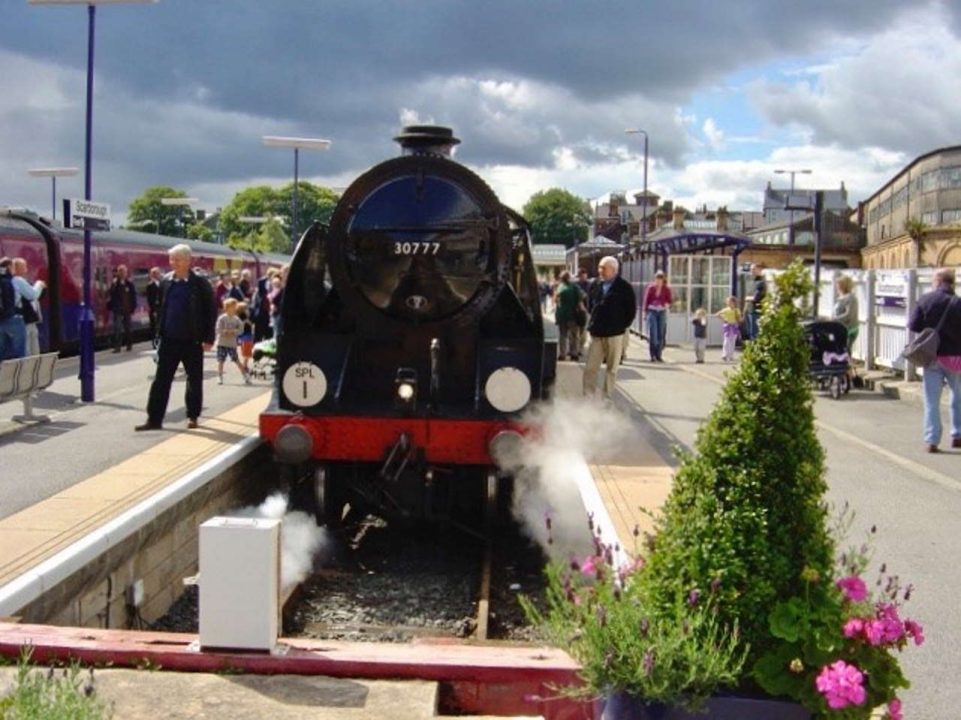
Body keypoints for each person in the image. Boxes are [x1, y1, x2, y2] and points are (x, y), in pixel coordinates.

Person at [135, 244, 216, 432]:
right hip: (169, 339)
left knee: (194, 379)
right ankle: (154, 419)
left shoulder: (200, 284)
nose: (173, 263)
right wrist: (157, 333)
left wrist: (209, 338)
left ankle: (193, 416)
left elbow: (210, 311)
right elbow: (159, 308)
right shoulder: (166, 281)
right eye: (172, 259)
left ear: (188, 261)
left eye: (177, 259)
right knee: (161, 380)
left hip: (193, 340)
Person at [907, 268, 961, 453]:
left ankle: (932, 440)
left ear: (937, 281)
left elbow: (913, 325)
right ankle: (958, 435)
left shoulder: (925, 300)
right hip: (956, 359)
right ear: (952, 282)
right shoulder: (958, 303)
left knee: (931, 400)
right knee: (958, 397)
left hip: (931, 357)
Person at [582, 256, 636, 399]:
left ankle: (606, 398)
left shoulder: (624, 287)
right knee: (590, 368)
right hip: (597, 333)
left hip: (615, 334)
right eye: (599, 267)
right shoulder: (595, 284)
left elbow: (631, 311)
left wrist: (620, 325)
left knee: (611, 369)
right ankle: (588, 397)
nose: (600, 271)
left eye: (603, 268)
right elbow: (589, 304)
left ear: (614, 270)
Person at [11, 257, 45, 356]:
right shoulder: (18, 280)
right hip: (25, 319)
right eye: (24, 266)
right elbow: (33, 295)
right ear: (17, 268)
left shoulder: (17, 281)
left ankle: (34, 366)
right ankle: (30, 368)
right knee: (29, 348)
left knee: (32, 345)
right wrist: (39, 284)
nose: (26, 268)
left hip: (27, 319)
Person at [215, 298, 251, 385]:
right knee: (221, 361)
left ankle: (245, 376)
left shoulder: (236, 319)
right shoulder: (222, 318)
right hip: (222, 343)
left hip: (232, 344)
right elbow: (218, 329)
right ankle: (220, 376)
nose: (235, 308)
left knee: (236, 360)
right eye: (233, 307)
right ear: (227, 308)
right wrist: (225, 331)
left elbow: (241, 329)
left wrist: (234, 332)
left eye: (235, 307)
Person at [0, 257, 28, 361]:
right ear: (8, 267)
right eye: (12, 267)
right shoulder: (12, 280)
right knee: (19, 352)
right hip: (12, 319)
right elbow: (15, 299)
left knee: (2, 353)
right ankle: (20, 375)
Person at [642, 270, 672, 362]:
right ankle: (653, 355)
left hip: (661, 311)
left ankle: (659, 355)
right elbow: (646, 300)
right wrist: (645, 312)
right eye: (657, 279)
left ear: (663, 280)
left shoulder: (666, 289)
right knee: (653, 334)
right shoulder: (651, 288)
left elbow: (670, 300)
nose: (659, 281)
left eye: (660, 279)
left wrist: (667, 304)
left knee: (661, 334)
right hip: (652, 311)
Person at [554, 271, 584, 361]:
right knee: (574, 335)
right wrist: (583, 313)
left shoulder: (559, 287)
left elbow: (555, 300)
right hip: (572, 315)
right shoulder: (575, 287)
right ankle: (573, 353)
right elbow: (580, 302)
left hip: (561, 315)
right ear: (569, 278)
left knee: (563, 335)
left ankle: (562, 354)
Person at [107, 264, 137, 353]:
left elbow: (133, 296)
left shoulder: (129, 284)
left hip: (127, 309)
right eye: (120, 272)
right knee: (117, 328)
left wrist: (133, 307)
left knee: (128, 328)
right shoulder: (115, 283)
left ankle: (129, 345)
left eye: (124, 272)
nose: (122, 273)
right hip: (118, 310)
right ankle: (117, 347)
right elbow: (111, 294)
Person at [832, 274, 860, 347]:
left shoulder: (851, 298)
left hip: (849, 330)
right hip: (840, 329)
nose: (837, 286)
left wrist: (834, 319)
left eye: (839, 284)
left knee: (845, 350)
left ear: (844, 286)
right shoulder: (841, 297)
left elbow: (848, 315)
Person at [716, 295, 742, 362]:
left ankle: (731, 355)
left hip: (734, 326)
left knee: (732, 341)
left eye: (731, 302)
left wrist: (739, 320)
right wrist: (724, 319)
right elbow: (717, 314)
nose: (729, 303)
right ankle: (724, 354)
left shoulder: (737, 310)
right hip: (727, 326)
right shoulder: (726, 309)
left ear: (734, 303)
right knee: (726, 341)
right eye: (728, 302)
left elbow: (739, 318)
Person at [745, 263, 766, 340]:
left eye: (754, 269)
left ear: (759, 270)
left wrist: (747, 298)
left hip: (757, 311)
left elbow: (755, 298)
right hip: (750, 310)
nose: (752, 271)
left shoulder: (761, 282)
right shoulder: (753, 281)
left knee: (755, 333)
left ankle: (755, 350)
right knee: (750, 332)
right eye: (751, 269)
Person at [146, 267, 162, 340]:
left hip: (161, 308)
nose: (159, 275)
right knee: (154, 326)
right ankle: (155, 340)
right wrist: (154, 310)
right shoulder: (150, 285)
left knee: (160, 325)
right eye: (157, 273)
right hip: (155, 309)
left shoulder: (161, 284)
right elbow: (150, 299)